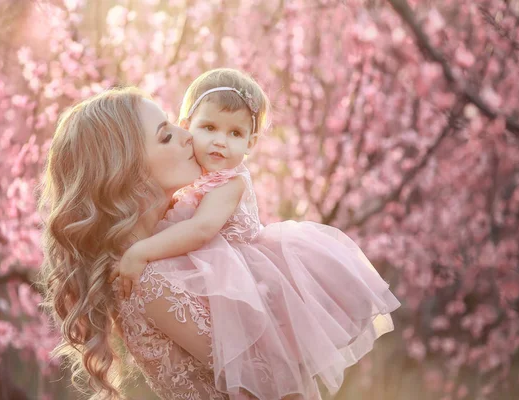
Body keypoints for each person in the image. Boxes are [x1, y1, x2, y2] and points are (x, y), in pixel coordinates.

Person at [110, 69, 401, 399]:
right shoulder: (193, 184)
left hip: (241, 272)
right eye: (209, 128)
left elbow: (201, 229)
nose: (220, 141)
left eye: (235, 133)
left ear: (250, 143)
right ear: (188, 126)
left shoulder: (228, 183)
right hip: (212, 270)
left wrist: (141, 251)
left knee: (259, 353)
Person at [38, 87, 232, 400]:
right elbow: (260, 377)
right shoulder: (148, 281)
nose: (187, 135)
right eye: (165, 136)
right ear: (128, 173)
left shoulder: (159, 251)